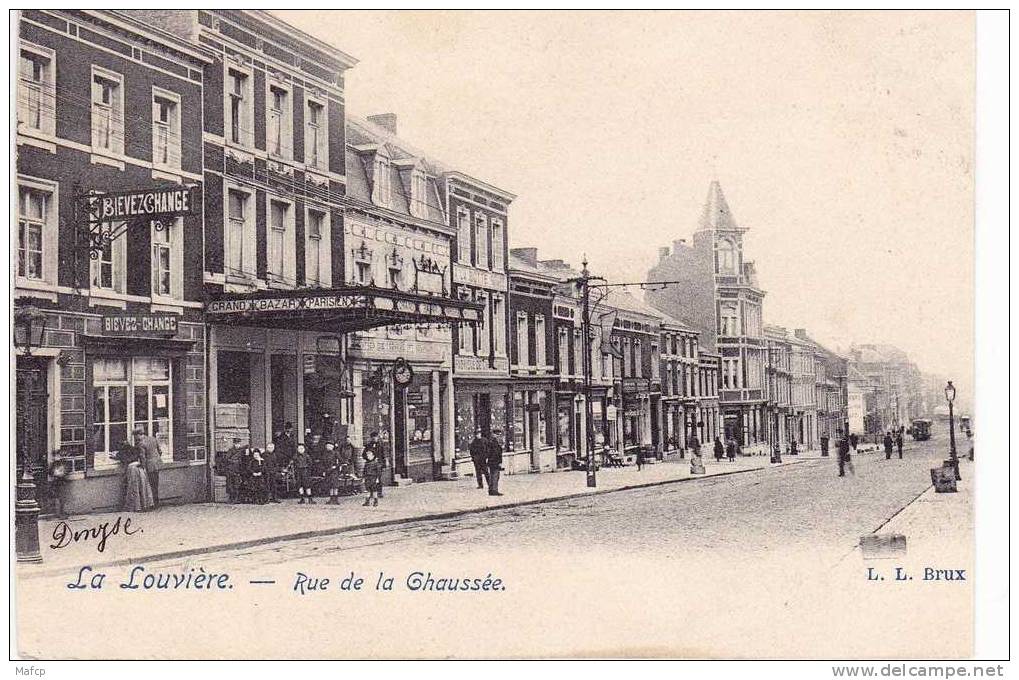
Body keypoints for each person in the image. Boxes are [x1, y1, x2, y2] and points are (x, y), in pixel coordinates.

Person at [116, 440, 155, 512]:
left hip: (132, 468)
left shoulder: (121, 453)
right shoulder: (134, 449)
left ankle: (136, 506)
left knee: (134, 487)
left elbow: (123, 460)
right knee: (143, 486)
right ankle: (145, 504)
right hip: (139, 467)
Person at [133, 426, 162, 507]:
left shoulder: (141, 443)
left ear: (138, 435)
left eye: (135, 437)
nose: (135, 439)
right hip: (157, 463)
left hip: (149, 465)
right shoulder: (153, 438)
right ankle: (156, 502)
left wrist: (142, 465)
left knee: (150, 485)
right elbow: (160, 451)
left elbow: (143, 457)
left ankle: (152, 504)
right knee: (156, 484)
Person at [219, 438, 246, 503]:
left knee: (237, 484)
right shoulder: (230, 450)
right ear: (234, 444)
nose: (237, 445)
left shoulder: (242, 451)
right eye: (236, 444)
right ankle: (231, 498)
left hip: (238, 470)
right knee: (230, 485)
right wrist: (234, 461)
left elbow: (244, 460)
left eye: (238, 444)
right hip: (230, 470)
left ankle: (237, 498)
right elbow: (226, 459)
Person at [363, 431, 387, 498]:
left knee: (378, 479)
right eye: (373, 437)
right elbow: (364, 454)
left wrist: (383, 464)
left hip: (378, 464)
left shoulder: (380, 445)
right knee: (371, 480)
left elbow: (383, 455)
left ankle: (379, 492)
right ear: (371, 438)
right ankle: (371, 493)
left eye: (376, 437)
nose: (374, 438)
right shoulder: (368, 446)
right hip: (371, 465)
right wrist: (368, 459)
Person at [486, 428, 504, 496]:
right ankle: (494, 490)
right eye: (497, 434)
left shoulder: (491, 441)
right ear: (494, 434)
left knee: (492, 476)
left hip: (491, 461)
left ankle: (491, 490)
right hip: (495, 462)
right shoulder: (494, 442)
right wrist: (499, 462)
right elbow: (496, 453)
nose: (498, 436)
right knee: (495, 476)